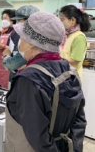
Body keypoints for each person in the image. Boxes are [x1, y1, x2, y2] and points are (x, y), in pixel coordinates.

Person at [6, 11, 86, 152]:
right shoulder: (69, 70)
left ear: (32, 43)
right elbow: (79, 120)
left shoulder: (29, 79)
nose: (20, 41)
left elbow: (37, 136)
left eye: (23, 37)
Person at [2, 5, 39, 82]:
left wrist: (6, 56)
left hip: (27, 79)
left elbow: (13, 64)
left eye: (19, 20)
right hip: (15, 76)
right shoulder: (15, 33)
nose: (18, 23)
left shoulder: (33, 40)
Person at [60, 5, 90, 79]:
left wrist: (56, 60)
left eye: (62, 19)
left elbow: (75, 60)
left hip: (72, 78)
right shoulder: (67, 35)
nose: (60, 22)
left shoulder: (79, 37)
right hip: (64, 75)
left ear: (72, 20)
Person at [0, 9, 16, 89]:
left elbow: (15, 50)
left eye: (5, 18)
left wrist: (2, 46)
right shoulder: (1, 32)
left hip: (8, 65)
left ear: (12, 20)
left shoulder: (14, 33)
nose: (3, 20)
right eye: (2, 18)